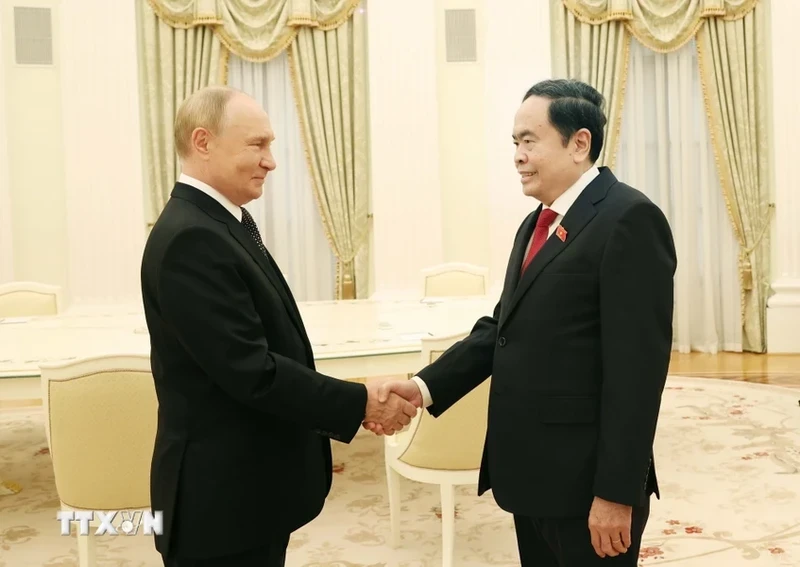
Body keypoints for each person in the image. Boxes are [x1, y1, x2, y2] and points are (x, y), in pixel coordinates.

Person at [365, 79, 677, 565]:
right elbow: (501, 328)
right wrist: (423, 388)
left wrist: (616, 493)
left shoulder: (629, 219)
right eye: (515, 142)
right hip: (533, 476)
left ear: (580, 143)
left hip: (587, 485)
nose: (518, 155)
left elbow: (637, 375)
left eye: (530, 140)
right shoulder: (536, 222)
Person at [140, 85, 417, 567]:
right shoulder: (191, 238)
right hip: (219, 504)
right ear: (203, 142)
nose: (271, 161)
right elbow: (252, 371)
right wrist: (360, 401)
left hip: (246, 493)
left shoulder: (219, 222)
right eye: (258, 144)